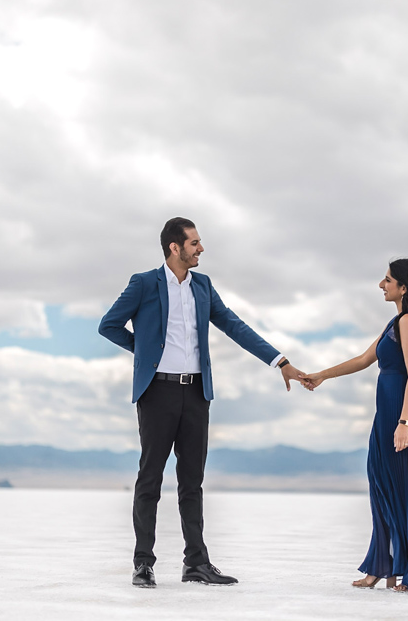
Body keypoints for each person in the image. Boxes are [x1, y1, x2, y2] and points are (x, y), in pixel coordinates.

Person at [99, 217, 307, 588]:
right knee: (150, 479)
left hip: (196, 394)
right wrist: (146, 353)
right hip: (157, 393)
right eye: (194, 243)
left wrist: (281, 362)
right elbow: (109, 324)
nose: (201, 248)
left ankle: (196, 563)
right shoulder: (144, 283)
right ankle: (143, 564)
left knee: (191, 482)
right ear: (174, 248)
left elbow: (234, 325)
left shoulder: (204, 286)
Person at [300, 259, 408, 592]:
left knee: (407, 490)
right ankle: (385, 567)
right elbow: (363, 360)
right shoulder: (393, 323)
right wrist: (321, 375)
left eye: (387, 280)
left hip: (402, 416)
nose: (381, 285)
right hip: (386, 416)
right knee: (382, 485)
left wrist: (405, 422)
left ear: (403, 287)